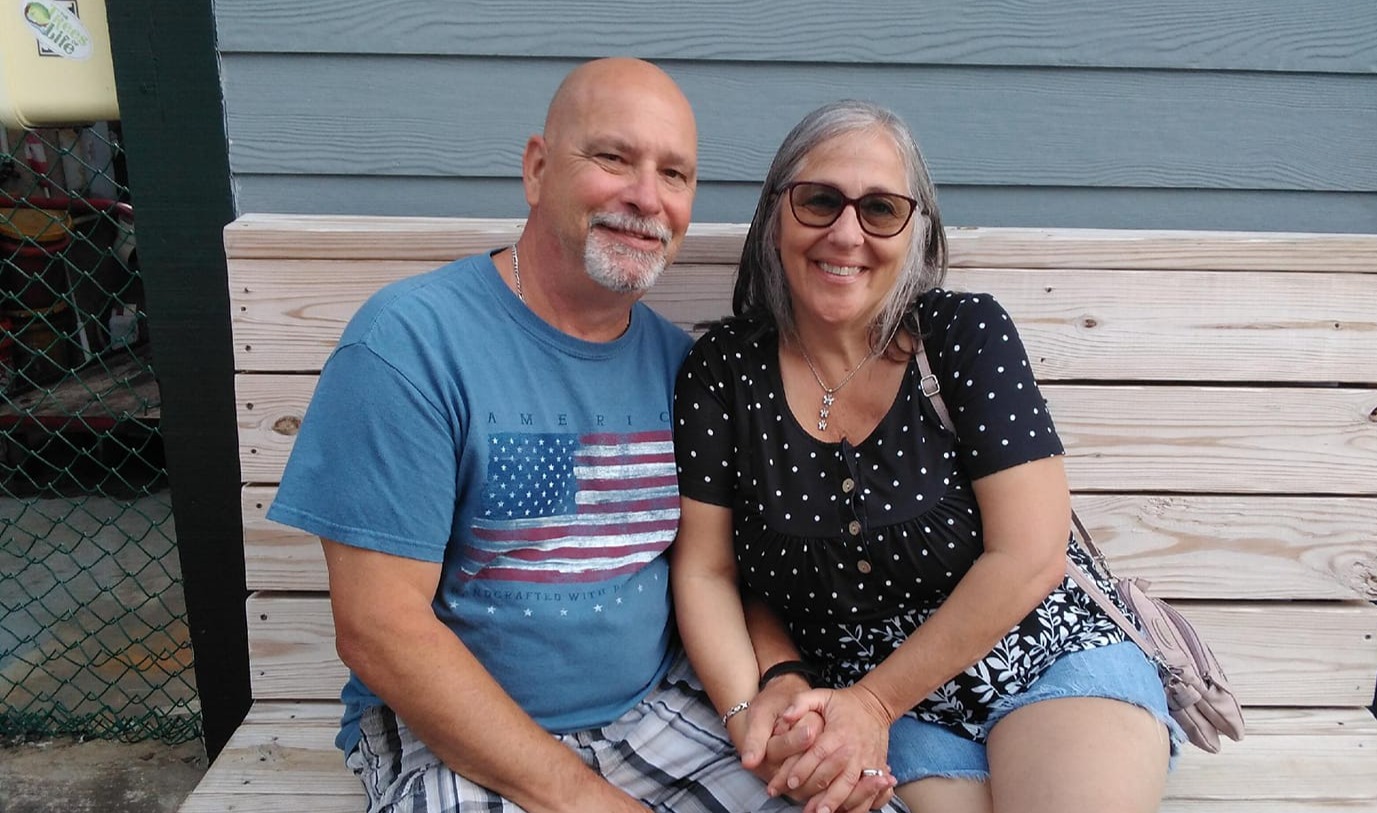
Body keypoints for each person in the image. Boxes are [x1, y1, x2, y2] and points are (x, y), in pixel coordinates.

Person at [267, 59, 896, 813]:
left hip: (658, 708)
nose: (646, 197)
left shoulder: (686, 370)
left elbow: (726, 568)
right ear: (537, 170)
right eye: (613, 158)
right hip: (450, 733)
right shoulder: (410, 344)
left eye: (674, 174)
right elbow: (380, 628)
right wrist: (587, 800)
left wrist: (780, 683)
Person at [670, 100, 1185, 813]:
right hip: (882, 718)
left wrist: (874, 703)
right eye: (819, 200)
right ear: (775, 215)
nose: (845, 233)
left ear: (916, 230)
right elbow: (710, 569)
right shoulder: (723, 371)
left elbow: (1030, 555)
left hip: (1042, 659)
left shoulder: (963, 334)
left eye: (880, 209)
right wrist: (750, 715)